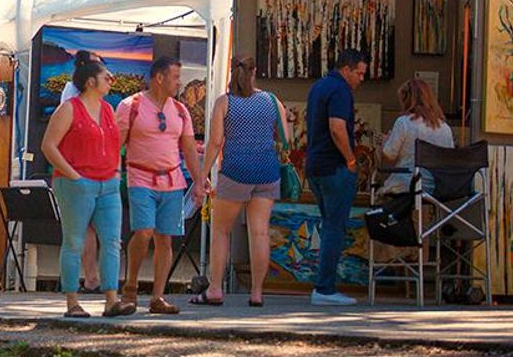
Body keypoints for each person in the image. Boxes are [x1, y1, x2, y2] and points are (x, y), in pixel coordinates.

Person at [193, 57, 288, 308]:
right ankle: (257, 293)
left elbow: (215, 142)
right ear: (254, 72)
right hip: (266, 171)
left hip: (235, 171)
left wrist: (202, 175)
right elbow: (285, 138)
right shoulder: (271, 100)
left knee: (221, 230)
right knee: (260, 232)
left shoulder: (225, 102)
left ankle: (215, 288)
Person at [42, 54, 131, 318]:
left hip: (108, 184)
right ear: (91, 82)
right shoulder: (69, 108)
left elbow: (115, 143)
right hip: (76, 184)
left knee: (112, 241)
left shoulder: (108, 109)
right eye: (106, 77)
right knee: (74, 241)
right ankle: (72, 301)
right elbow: (48, 145)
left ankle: (111, 300)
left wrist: (116, 171)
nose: (111, 80)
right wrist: (73, 176)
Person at [116, 56, 204, 315]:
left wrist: (199, 181)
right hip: (140, 178)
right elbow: (115, 144)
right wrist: (108, 174)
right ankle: (130, 287)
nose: (179, 82)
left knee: (165, 239)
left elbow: (189, 149)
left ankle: (157, 296)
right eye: (175, 77)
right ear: (159, 78)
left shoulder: (180, 110)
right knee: (144, 231)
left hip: (173, 181)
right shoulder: (130, 106)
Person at [305, 48, 368, 306]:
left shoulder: (319, 87)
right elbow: (337, 127)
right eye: (359, 73)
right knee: (335, 227)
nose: (361, 79)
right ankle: (325, 288)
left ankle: (323, 285)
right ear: (346, 69)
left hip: (315, 166)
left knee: (328, 223)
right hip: (335, 166)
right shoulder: (341, 90)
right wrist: (351, 160)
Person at [380, 78, 454, 196]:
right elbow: (448, 159)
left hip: (407, 185)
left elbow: (390, 155)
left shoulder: (403, 123)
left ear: (407, 100)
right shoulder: (445, 129)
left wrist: (385, 142)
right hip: (436, 188)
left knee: (382, 192)